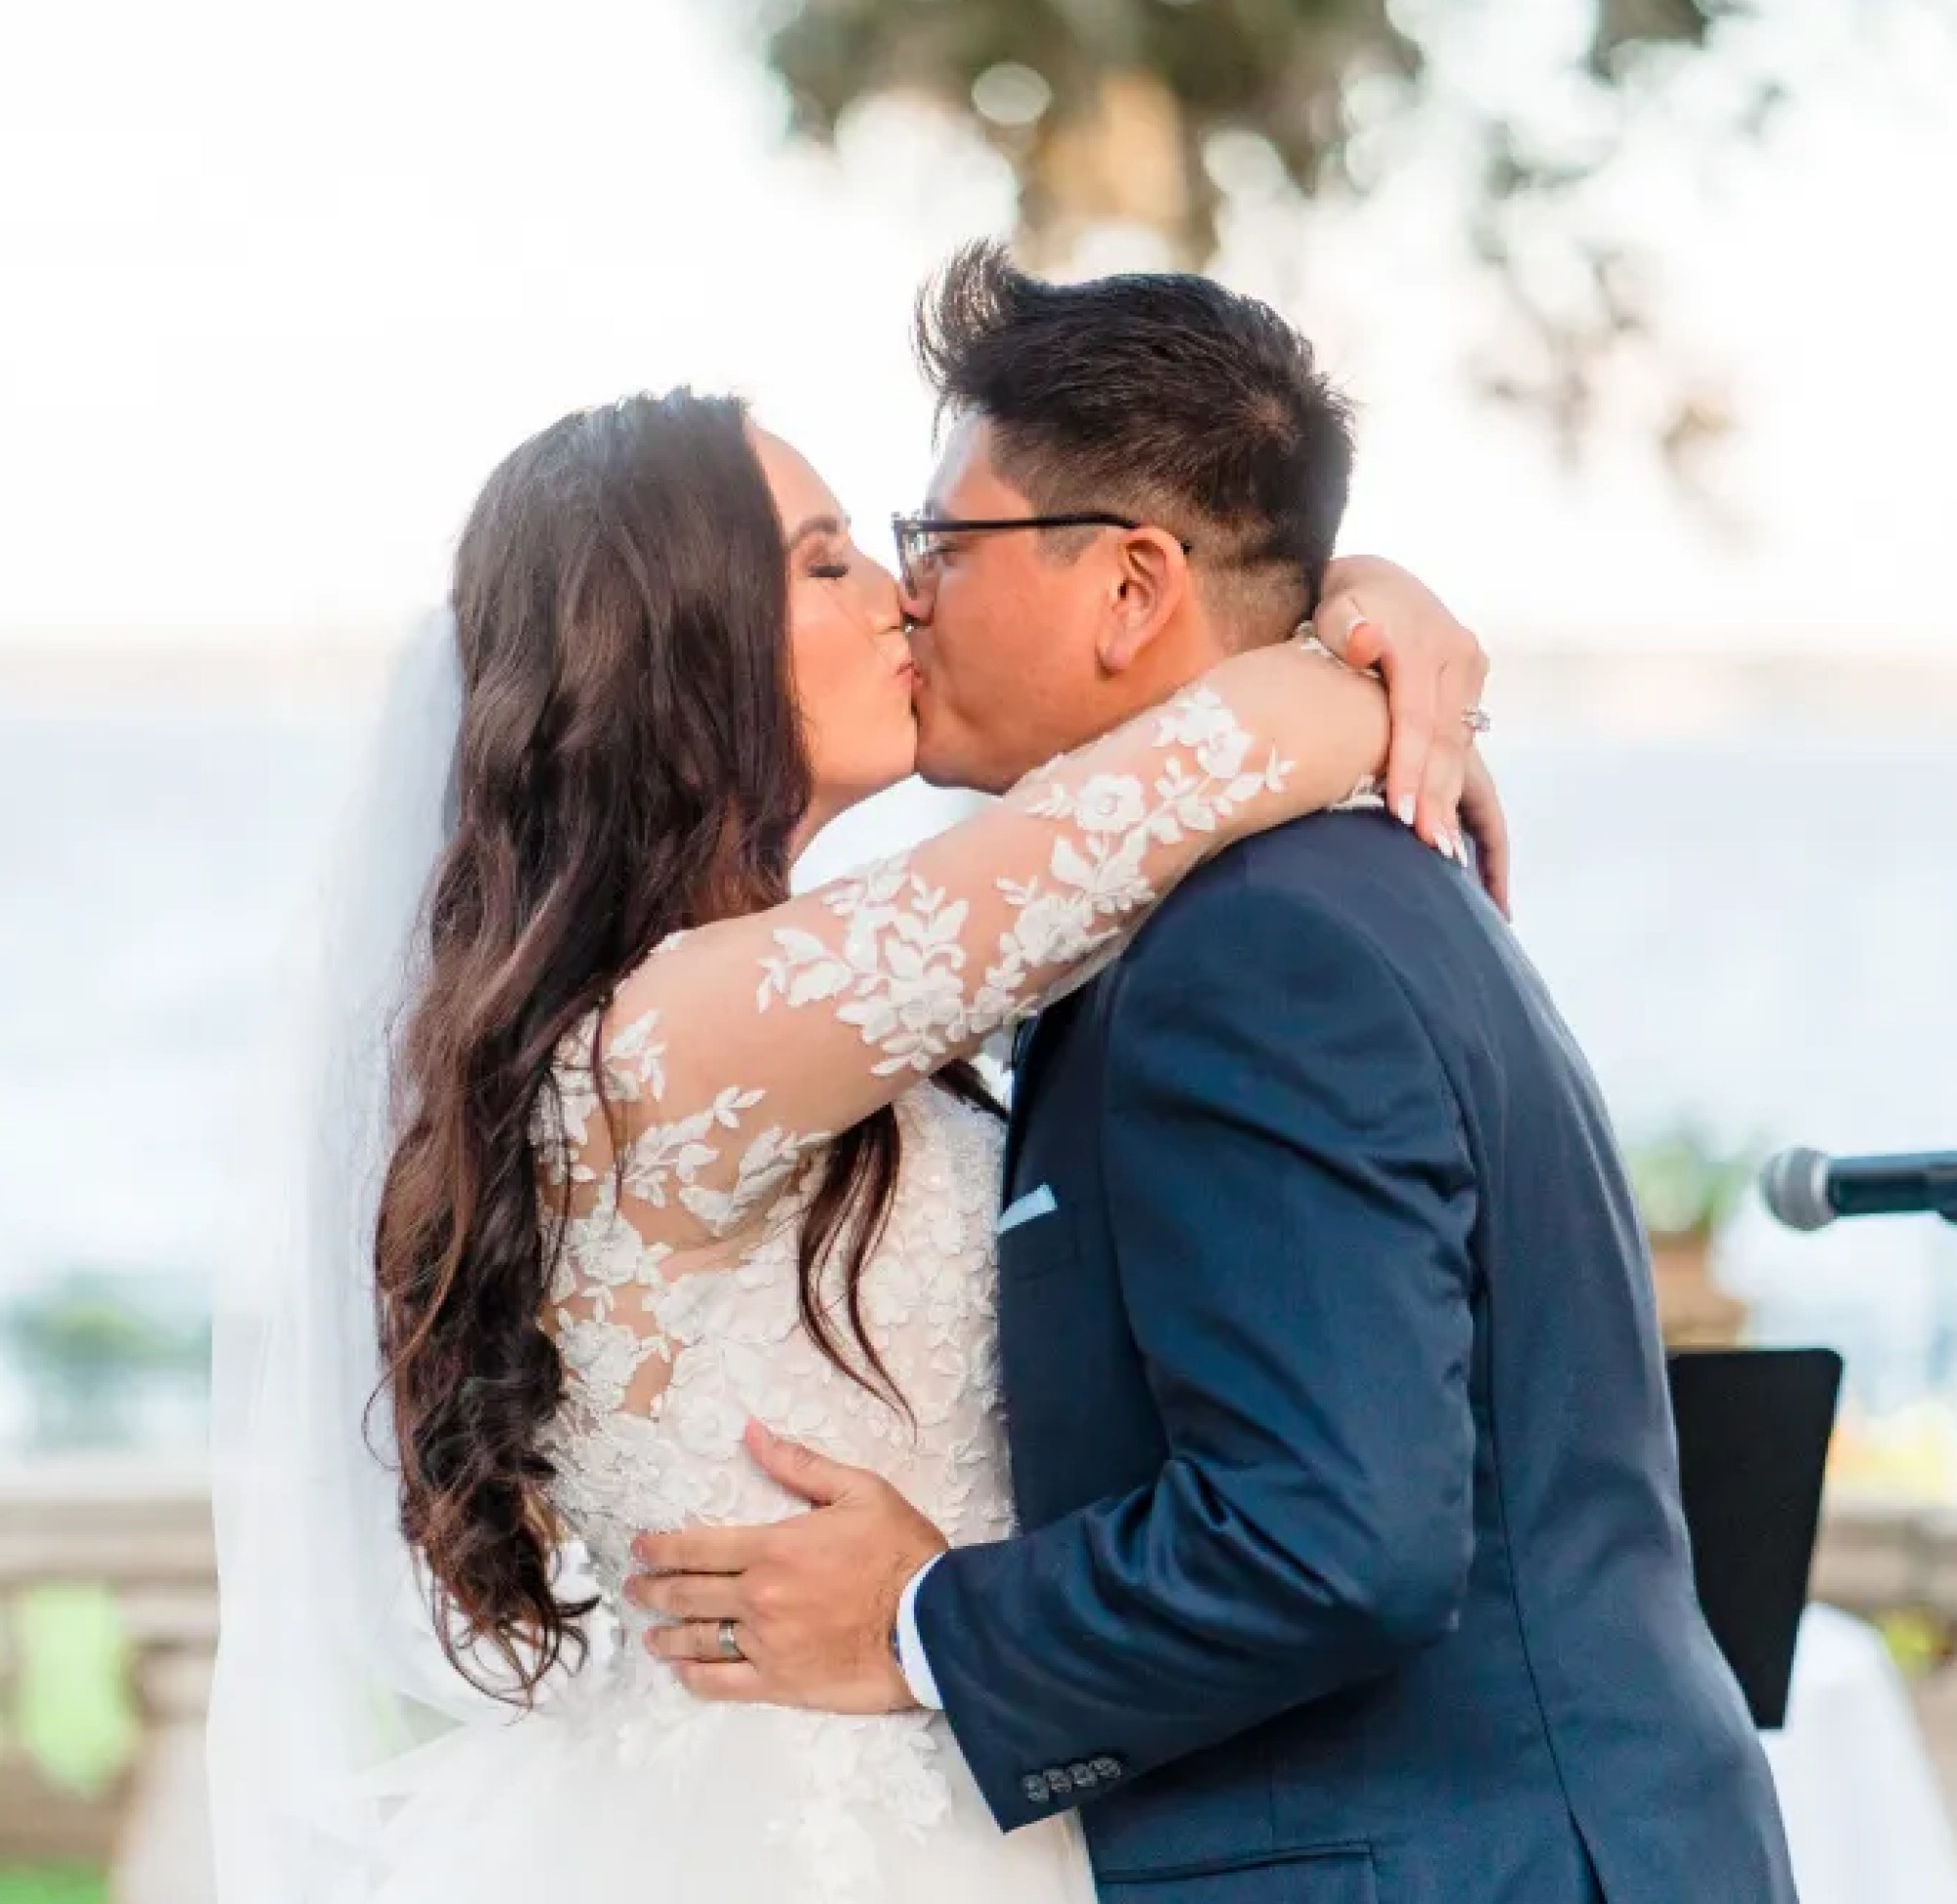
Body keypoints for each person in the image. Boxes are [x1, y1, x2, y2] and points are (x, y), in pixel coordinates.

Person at [205, 362, 1498, 1902]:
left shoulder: (795, 998)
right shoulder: (677, 1035)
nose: (901, 597)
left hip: (934, 1763)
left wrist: (1358, 592)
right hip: (786, 1824)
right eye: (826, 561)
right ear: (679, 648)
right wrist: (1373, 622)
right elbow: (1234, 741)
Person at [630, 249, 1799, 1904]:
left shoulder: (1256, 949)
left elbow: (1337, 1541)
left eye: (937, 543)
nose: (910, 597)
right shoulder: (1298, 886)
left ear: (1128, 590)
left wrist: (921, 1622)